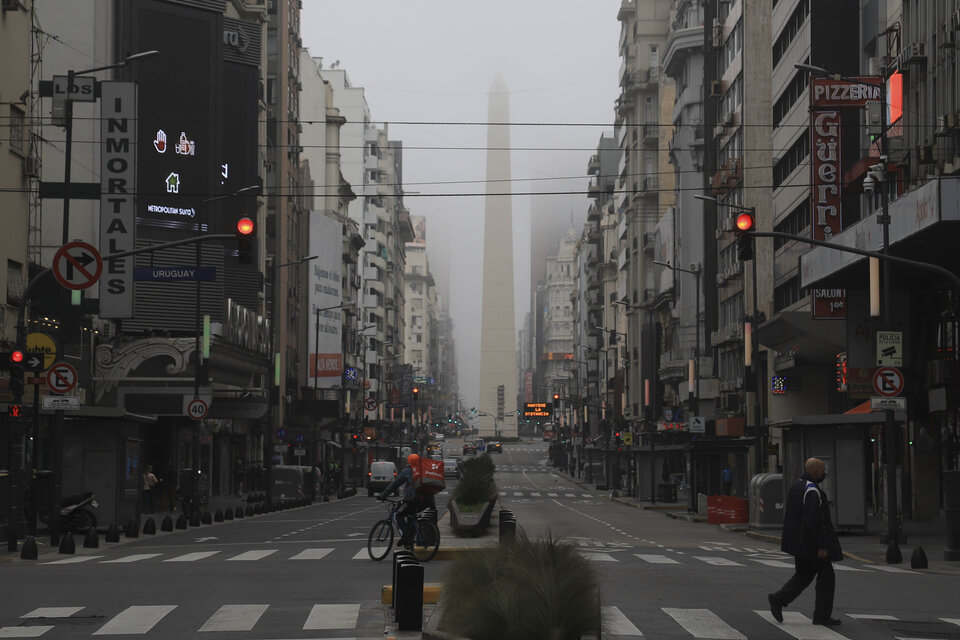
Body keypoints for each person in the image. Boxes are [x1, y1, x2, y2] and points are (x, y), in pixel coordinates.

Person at [768, 457, 843, 627]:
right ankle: (821, 616)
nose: (824, 474)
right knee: (827, 578)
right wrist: (822, 545)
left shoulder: (797, 486)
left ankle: (778, 599)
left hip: (799, 543)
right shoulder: (812, 490)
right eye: (823, 471)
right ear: (815, 471)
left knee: (804, 574)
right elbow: (813, 521)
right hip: (811, 544)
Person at [378, 453, 434, 546]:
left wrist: (383, 495)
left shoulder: (408, 471)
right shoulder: (424, 470)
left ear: (409, 462)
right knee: (411, 517)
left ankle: (406, 537)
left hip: (414, 499)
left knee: (398, 516)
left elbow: (394, 485)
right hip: (427, 500)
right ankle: (409, 543)